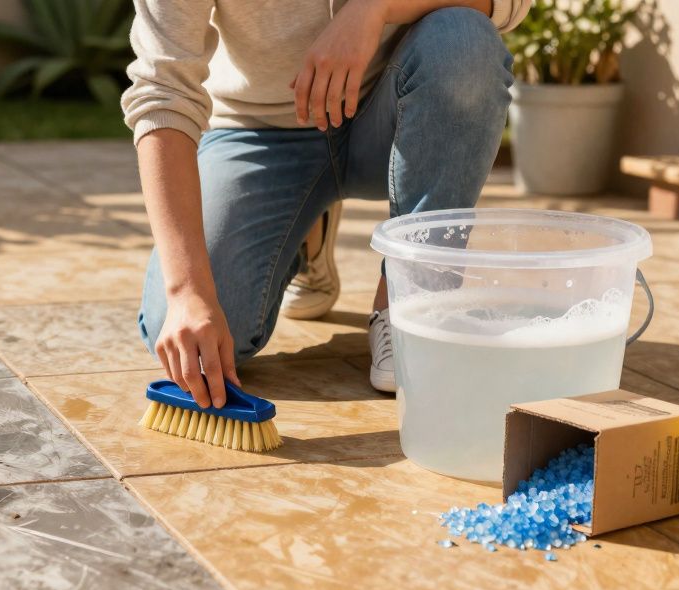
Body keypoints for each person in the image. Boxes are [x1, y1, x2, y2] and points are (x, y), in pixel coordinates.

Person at [123, 0, 531, 409]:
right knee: (186, 330)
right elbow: (163, 90)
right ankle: (306, 233)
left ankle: (410, 303)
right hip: (261, 135)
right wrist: (186, 291)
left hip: (395, 111)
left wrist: (374, 9)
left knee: (464, 41)